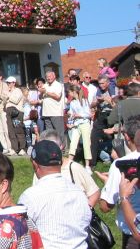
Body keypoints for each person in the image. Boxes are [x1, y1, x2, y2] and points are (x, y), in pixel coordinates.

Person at [18, 140, 91, 248]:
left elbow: (21, 235)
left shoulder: (30, 197)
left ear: (35, 165)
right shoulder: (79, 193)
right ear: (61, 162)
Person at [99, 115, 140, 247]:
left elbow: (105, 206)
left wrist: (107, 184)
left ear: (126, 136)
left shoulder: (120, 165)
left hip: (133, 234)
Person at [36, 129, 100, 207]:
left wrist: (87, 210)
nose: (49, 152)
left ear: (61, 146)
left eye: (53, 147)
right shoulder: (40, 170)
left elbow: (94, 192)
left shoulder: (74, 168)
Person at [90, 74, 115, 169]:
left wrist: (106, 99)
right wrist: (97, 102)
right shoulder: (98, 91)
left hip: (112, 115)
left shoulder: (113, 90)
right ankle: (92, 163)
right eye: (99, 83)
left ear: (108, 83)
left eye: (103, 83)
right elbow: (91, 105)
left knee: (114, 138)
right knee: (94, 137)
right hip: (101, 115)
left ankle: (115, 160)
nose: (101, 85)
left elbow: (116, 105)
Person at [66, 85, 93, 172]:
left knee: (86, 143)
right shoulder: (72, 103)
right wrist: (70, 121)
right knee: (73, 143)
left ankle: (87, 166)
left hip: (85, 124)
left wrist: (79, 115)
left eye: (70, 92)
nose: (69, 94)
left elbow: (89, 114)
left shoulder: (84, 101)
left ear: (74, 92)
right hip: (76, 125)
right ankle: (69, 163)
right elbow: (71, 114)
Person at [39, 70, 66, 152]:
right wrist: (41, 92)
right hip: (46, 112)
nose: (48, 78)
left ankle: (62, 148)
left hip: (56, 112)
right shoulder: (45, 85)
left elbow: (57, 96)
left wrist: (46, 92)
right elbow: (40, 97)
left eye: (50, 76)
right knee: (49, 133)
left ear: (54, 76)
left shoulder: (58, 85)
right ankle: (52, 148)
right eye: (47, 77)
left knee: (59, 131)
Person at [4, 76, 26, 155]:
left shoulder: (18, 90)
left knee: (18, 130)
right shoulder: (8, 91)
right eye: (7, 83)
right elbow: (4, 103)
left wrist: (8, 95)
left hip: (17, 113)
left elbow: (16, 100)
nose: (8, 84)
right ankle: (14, 148)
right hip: (9, 112)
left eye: (9, 83)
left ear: (14, 83)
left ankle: (22, 148)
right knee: (11, 131)